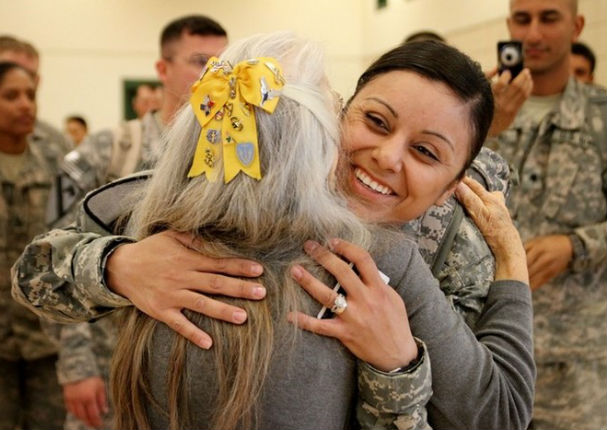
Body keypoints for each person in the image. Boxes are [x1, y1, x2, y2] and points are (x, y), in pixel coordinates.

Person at [12, 39, 534, 429]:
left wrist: (402, 360)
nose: (387, 157)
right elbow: (33, 273)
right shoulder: (217, 193)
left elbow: (496, 415)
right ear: (335, 114)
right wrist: (118, 267)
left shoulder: (444, 248)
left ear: (452, 185)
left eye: (426, 152)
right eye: (375, 122)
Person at [43, 14, 229, 430]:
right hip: (112, 367)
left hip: (201, 381)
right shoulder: (107, 149)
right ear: (162, 70)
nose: (215, 75)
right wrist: (77, 366)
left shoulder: (237, 160)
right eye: (200, 61)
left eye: (225, 64)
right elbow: (52, 254)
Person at [486, 0, 607, 428]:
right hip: (488, 348)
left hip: (577, 360)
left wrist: (575, 246)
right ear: (508, 25)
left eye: (548, 19)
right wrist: (487, 128)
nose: (533, 34)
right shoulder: (476, 109)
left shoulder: (600, 116)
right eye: (523, 19)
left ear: (575, 26)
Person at [0, 61, 68, 429]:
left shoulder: (57, 158)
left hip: (46, 337)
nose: (25, 104)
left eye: (30, 95)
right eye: (11, 96)